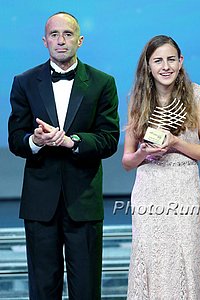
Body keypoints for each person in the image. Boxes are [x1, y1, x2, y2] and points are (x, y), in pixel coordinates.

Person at [8, 11, 119, 300]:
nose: (61, 40)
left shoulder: (102, 82)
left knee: (86, 290)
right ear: (44, 41)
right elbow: (14, 139)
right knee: (43, 290)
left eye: (67, 34)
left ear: (80, 40)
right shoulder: (24, 82)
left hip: (83, 201)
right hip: (39, 204)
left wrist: (74, 141)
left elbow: (109, 139)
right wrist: (35, 140)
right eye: (54, 35)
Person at [122, 35, 200, 299]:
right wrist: (143, 152)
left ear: (181, 61)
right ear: (148, 65)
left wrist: (175, 142)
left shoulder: (197, 95)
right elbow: (127, 162)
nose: (166, 66)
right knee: (151, 260)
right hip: (148, 191)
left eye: (171, 59)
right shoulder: (138, 100)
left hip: (184, 190)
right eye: (158, 61)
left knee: (185, 258)